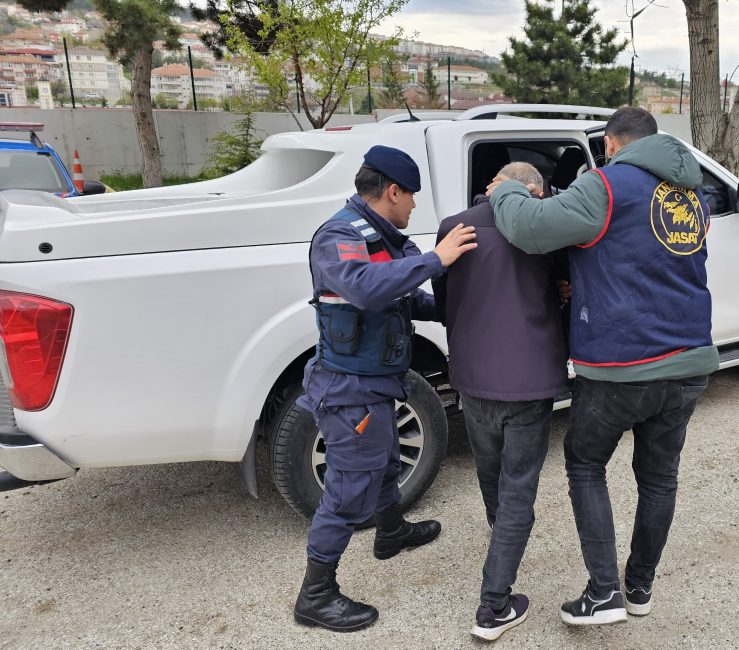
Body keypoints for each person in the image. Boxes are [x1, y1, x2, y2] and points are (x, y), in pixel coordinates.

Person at [487, 107, 717, 626]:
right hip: (689, 359)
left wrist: (506, 188)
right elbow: (645, 258)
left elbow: (530, 227)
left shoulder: (607, 185)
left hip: (623, 365)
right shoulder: (690, 194)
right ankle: (639, 588)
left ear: (612, 143)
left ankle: (604, 592)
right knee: (659, 478)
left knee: (586, 464)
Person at [293, 145, 477, 632]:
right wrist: (437, 258)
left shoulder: (387, 236)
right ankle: (315, 595)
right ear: (392, 191)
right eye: (411, 196)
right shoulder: (340, 236)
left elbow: (405, 297)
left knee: (387, 460)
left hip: (376, 382)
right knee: (349, 489)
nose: (414, 205)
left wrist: (458, 308)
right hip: (349, 387)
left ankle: (390, 533)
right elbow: (365, 287)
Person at [432, 162, 569, 641]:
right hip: (528, 383)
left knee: (491, 475)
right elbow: (565, 291)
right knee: (519, 489)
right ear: (531, 190)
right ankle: (494, 605)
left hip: (472, 379)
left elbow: (445, 297)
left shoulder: (454, 227)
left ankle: (501, 546)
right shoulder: (544, 229)